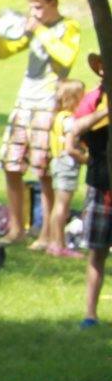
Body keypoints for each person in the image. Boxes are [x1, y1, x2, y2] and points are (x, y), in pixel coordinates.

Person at [0, 0, 82, 246]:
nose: (34, 13)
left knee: (44, 171)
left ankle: (46, 233)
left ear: (52, 3)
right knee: (11, 164)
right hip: (24, 101)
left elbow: (66, 57)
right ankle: (15, 229)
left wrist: (41, 31)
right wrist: (3, 31)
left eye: (39, 7)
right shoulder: (34, 26)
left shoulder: (68, 27)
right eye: (31, 7)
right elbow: (2, 53)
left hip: (48, 103)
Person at [74, 55, 112, 326]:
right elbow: (75, 128)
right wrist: (105, 112)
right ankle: (90, 313)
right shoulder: (94, 99)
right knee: (97, 250)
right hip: (100, 184)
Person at [42, 78, 88, 256]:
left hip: (57, 163)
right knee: (62, 206)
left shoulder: (58, 117)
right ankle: (59, 244)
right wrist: (84, 158)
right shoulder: (70, 120)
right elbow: (69, 148)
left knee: (58, 205)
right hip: (66, 165)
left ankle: (54, 242)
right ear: (74, 98)